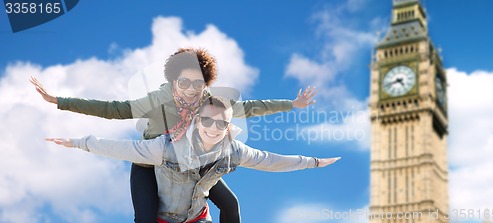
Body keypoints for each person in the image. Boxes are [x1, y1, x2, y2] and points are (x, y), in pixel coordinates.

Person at [31, 47, 318, 223]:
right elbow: (114, 109)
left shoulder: (208, 101)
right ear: (172, 81)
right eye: (184, 83)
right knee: (145, 218)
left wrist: (292, 104)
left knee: (230, 204)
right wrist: (59, 101)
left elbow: (249, 107)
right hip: (151, 162)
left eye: (198, 84)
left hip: (192, 164)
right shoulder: (158, 99)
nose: (192, 91)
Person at [47, 96, 341, 223]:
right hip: (163, 214)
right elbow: (121, 148)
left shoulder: (233, 149)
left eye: (220, 125)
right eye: (208, 122)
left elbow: (270, 160)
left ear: (228, 126)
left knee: (231, 203)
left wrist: (312, 161)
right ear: (196, 121)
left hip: (195, 217)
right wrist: (79, 142)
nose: (214, 129)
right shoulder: (165, 147)